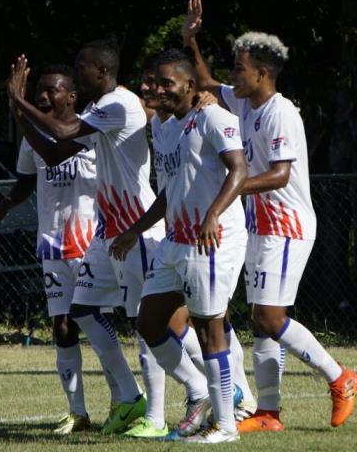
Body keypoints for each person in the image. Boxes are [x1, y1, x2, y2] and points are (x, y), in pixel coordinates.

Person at [182, 0, 357, 432]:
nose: (233, 74)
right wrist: (192, 41)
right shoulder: (244, 102)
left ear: (261, 73)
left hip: (287, 225)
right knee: (262, 323)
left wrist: (230, 187)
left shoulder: (281, 113)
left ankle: (340, 378)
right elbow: (204, 83)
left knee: (269, 318)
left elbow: (280, 176)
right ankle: (269, 413)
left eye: (239, 68)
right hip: (259, 225)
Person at [7, 39, 174, 435]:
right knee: (80, 313)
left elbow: (62, 130)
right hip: (106, 232)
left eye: (82, 67)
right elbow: (52, 154)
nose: (77, 73)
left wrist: (17, 99)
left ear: (101, 72)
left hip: (136, 229)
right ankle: (131, 399)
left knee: (149, 322)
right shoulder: (99, 111)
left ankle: (173, 409)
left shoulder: (117, 105)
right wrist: (21, 112)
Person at [111, 48, 248, 443]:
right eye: (155, 82)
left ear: (189, 85)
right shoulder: (165, 126)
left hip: (212, 239)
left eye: (167, 83)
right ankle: (205, 391)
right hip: (176, 240)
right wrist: (135, 230)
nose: (158, 89)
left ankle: (225, 426)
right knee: (149, 321)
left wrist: (214, 214)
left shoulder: (213, 116)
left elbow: (239, 169)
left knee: (209, 328)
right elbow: (170, 192)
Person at [0, 63, 99, 434]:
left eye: (52, 90)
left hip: (89, 240)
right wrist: (7, 204)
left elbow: (55, 154)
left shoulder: (89, 129)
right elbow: (27, 178)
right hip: (52, 243)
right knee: (63, 325)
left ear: (72, 96)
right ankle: (78, 411)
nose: (44, 95)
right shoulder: (30, 136)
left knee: (97, 319)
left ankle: (131, 401)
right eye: (39, 91)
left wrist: (17, 105)